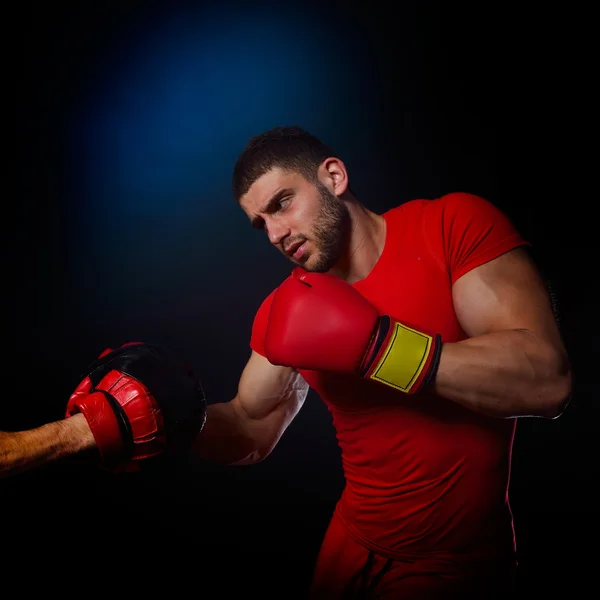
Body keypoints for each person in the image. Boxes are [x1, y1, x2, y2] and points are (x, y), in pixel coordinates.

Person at [2, 126, 571, 599]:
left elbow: (546, 380)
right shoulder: (289, 309)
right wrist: (173, 418)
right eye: (260, 225)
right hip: (349, 544)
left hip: (455, 563)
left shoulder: (452, 226)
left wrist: (379, 349)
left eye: (282, 204)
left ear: (333, 176)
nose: (275, 233)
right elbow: (252, 426)